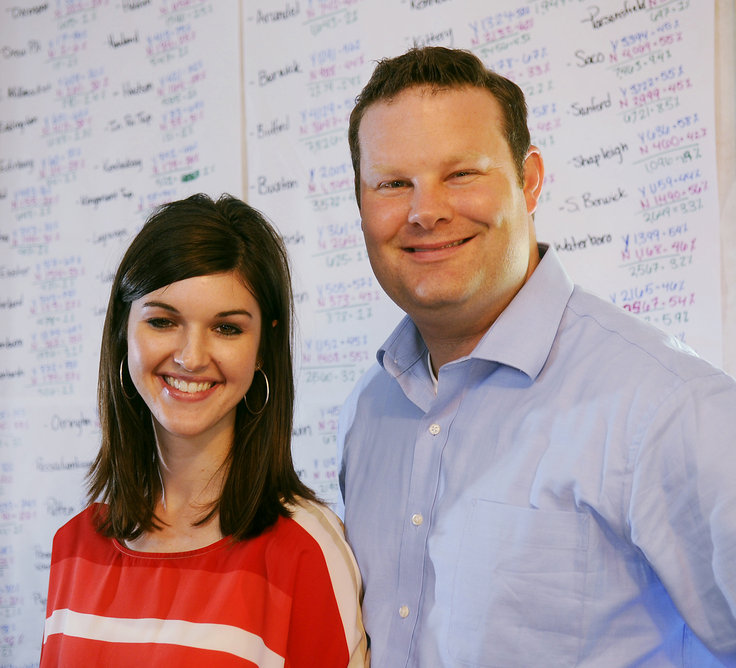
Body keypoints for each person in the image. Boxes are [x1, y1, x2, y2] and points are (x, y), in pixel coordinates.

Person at [337, 46, 736, 667]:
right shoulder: (369, 411)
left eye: (462, 173)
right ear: (361, 203)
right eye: (393, 183)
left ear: (529, 180)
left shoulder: (668, 408)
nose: (426, 211)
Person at [41, 194, 368, 666]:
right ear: (122, 332)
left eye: (227, 328)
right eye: (163, 321)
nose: (191, 357)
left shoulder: (303, 551)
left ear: (262, 348)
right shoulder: (73, 546)